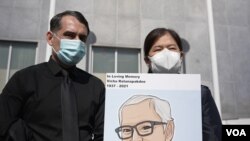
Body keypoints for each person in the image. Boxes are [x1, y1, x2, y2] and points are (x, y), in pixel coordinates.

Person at [0, 10, 105, 141]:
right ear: (50, 38)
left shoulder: (95, 86)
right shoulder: (24, 79)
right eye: (70, 35)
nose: (77, 42)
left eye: (82, 38)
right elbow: (5, 123)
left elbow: (103, 134)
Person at [143, 28, 222, 141]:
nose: (166, 54)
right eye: (158, 49)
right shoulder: (130, 93)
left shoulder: (200, 94)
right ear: (147, 60)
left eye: (172, 48)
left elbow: (213, 135)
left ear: (181, 56)